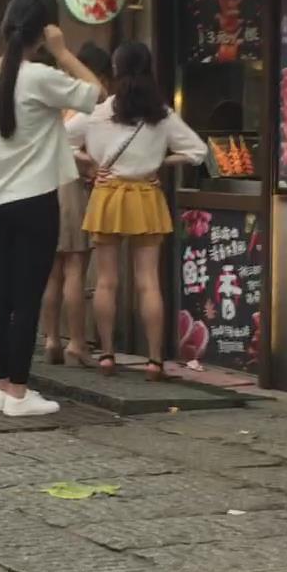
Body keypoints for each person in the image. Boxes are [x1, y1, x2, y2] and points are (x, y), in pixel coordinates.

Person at [0, 0, 105, 418]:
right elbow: (97, 94)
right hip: (36, 201)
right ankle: (19, 392)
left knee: (2, 296)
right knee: (27, 299)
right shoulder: (41, 76)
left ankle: (5, 384)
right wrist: (63, 52)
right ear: (41, 34)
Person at [82, 41, 207, 380]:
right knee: (148, 282)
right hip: (146, 195)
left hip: (108, 194)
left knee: (106, 281)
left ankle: (107, 355)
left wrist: (91, 163)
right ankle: (154, 361)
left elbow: (61, 139)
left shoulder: (100, 111)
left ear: (115, 70)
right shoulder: (160, 113)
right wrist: (161, 162)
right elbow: (198, 150)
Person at [41, 42, 110, 368]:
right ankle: (77, 343)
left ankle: (52, 339)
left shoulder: (57, 99)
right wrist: (85, 161)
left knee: (52, 271)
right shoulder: (92, 106)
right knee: (74, 268)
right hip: (70, 187)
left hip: (45, 184)